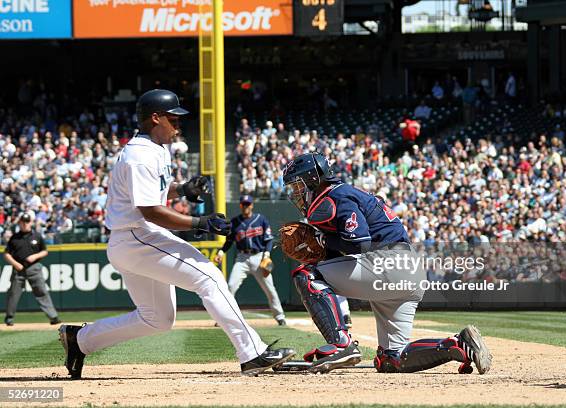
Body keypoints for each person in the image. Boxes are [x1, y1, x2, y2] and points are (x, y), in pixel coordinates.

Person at [58, 89, 295, 379]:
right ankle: (252, 353)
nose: (178, 125)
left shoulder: (153, 149)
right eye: (173, 119)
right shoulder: (140, 155)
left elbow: (153, 192)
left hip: (132, 239)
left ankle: (80, 340)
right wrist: (200, 222)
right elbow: (150, 211)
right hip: (138, 235)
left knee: (157, 318)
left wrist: (182, 189)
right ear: (155, 118)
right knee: (209, 277)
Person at [281, 153, 492, 374]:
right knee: (392, 360)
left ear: (313, 179)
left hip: (388, 265)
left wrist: (322, 240)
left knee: (306, 274)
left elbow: (358, 243)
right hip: (406, 269)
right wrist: (326, 245)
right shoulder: (344, 193)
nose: (296, 192)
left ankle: (340, 344)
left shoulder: (336, 196)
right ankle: (459, 344)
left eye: (298, 185)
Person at [213, 195, 286, 326]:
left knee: (270, 288)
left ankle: (280, 317)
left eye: (248, 204)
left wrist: (267, 255)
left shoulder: (261, 219)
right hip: (242, 259)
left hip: (259, 257)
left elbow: (268, 240)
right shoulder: (235, 222)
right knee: (231, 286)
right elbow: (229, 241)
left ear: (252, 205)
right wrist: (221, 251)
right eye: (243, 204)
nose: (246, 206)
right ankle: (224, 318)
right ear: (240, 205)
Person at [3, 213, 61, 326]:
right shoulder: (14, 238)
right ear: (19, 223)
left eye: (27, 222)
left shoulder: (37, 236)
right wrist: (15, 264)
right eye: (23, 222)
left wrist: (35, 256)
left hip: (34, 268)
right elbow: (7, 254)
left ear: (30, 222)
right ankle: (9, 318)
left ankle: (53, 317)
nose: (25, 224)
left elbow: (45, 251)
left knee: (42, 292)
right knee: (13, 294)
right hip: (19, 268)